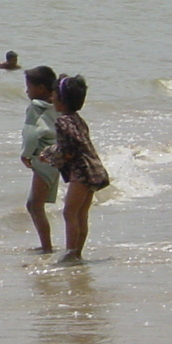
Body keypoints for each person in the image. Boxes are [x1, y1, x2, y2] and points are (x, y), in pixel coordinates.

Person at [47, 74, 110, 263]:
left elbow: (67, 150)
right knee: (81, 213)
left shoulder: (62, 122)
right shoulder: (78, 119)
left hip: (81, 172)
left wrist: (49, 156)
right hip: (94, 169)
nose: (51, 98)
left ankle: (71, 252)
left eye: (54, 95)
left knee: (69, 212)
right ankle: (76, 252)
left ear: (61, 99)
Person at [20, 66, 60, 254]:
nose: (27, 91)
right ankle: (46, 245)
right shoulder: (57, 105)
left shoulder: (36, 107)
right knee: (36, 204)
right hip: (56, 158)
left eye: (29, 87)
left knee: (34, 205)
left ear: (41, 88)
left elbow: (31, 133)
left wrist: (25, 154)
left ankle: (46, 247)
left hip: (43, 158)